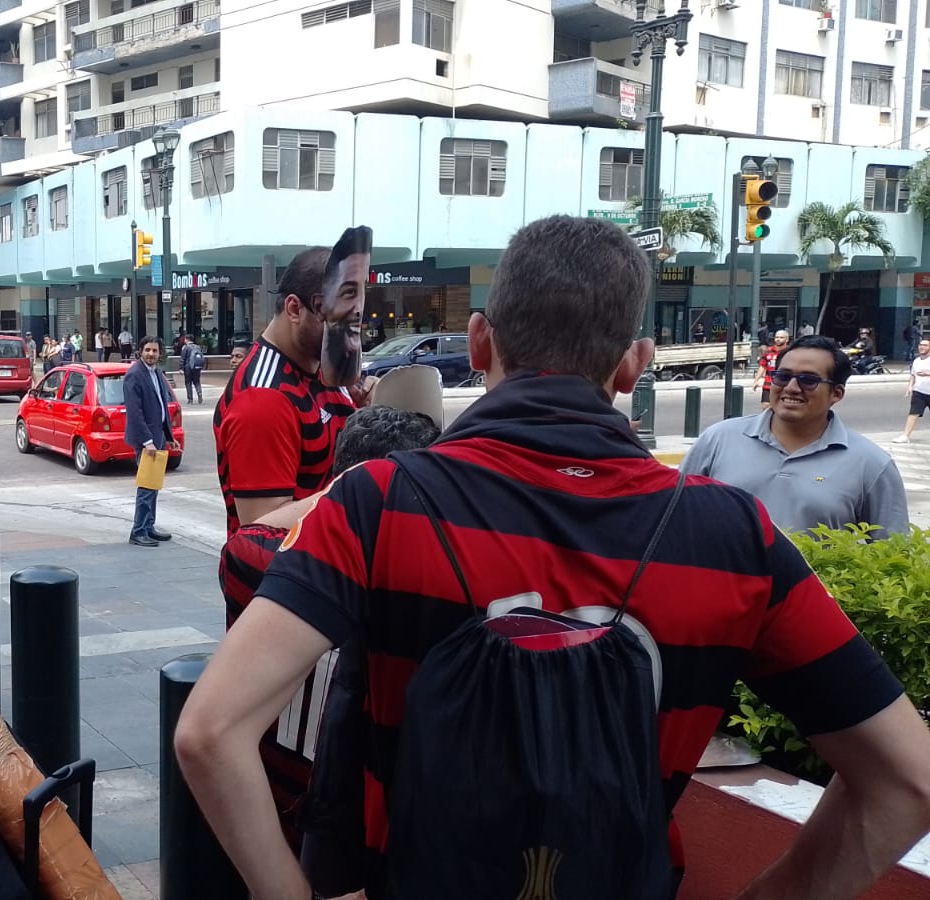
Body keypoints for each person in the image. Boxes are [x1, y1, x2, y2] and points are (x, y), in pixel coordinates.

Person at [175, 215, 930, 900]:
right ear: (634, 364)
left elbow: (210, 732)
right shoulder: (733, 535)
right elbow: (908, 780)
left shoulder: (378, 503)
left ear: (479, 342)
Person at [219, 403, 441, 871]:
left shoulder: (251, 559)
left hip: (272, 814)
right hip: (365, 834)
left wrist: (337, 498)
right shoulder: (413, 586)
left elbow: (253, 533)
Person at [684, 335, 908, 539]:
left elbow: (892, 551)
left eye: (808, 380)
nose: (791, 388)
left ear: (836, 393)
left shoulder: (871, 463)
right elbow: (677, 514)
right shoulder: (719, 439)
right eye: (783, 377)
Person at [214, 246, 359, 538]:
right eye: (337, 320)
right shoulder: (263, 398)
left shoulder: (322, 367)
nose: (349, 334)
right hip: (290, 564)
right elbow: (261, 527)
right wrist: (361, 489)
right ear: (294, 309)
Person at [125, 336, 177, 548]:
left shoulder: (156, 372)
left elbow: (162, 407)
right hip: (146, 440)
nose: (151, 354)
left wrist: (169, 437)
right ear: (140, 351)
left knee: (153, 485)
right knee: (146, 486)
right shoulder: (134, 375)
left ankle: (148, 526)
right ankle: (138, 531)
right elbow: (134, 413)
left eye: (155, 351)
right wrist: (147, 441)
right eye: (147, 350)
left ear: (160, 353)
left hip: (158, 437)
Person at [894, 337, 930, 443]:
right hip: (919, 392)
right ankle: (905, 436)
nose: (922, 347)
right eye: (921, 345)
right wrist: (910, 386)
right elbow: (913, 375)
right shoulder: (916, 361)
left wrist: (928, 374)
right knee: (913, 414)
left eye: (925, 345)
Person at [753, 329, 789, 408]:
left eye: (781, 337)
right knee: (765, 406)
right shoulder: (768, 351)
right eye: (776, 337)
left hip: (783, 385)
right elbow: (762, 366)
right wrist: (756, 381)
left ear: (787, 339)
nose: (778, 339)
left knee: (781, 407)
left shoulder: (789, 352)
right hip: (768, 384)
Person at [179, 333, 206, 405]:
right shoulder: (197, 347)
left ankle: (190, 399)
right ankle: (199, 394)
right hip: (197, 367)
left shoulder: (186, 348)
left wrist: (181, 368)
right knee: (197, 382)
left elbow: (183, 358)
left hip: (188, 368)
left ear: (186, 339)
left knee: (188, 383)